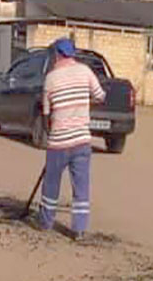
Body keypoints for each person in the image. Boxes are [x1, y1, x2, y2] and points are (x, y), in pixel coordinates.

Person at [38, 38, 106, 241]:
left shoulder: (50, 78)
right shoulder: (85, 71)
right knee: (81, 186)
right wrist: (84, 100)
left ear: (58, 55)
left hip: (58, 142)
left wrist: (49, 137)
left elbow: (45, 113)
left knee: (51, 184)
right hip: (82, 141)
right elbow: (100, 95)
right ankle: (79, 229)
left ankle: (46, 222)